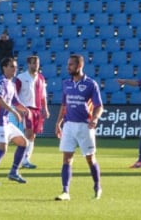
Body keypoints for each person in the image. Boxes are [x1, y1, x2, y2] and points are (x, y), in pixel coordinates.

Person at [55, 54, 104, 201]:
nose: (68, 67)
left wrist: (95, 118)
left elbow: (99, 106)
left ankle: (97, 186)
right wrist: (58, 123)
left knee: (90, 159)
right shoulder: (66, 83)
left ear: (79, 66)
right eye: (68, 64)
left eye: (71, 65)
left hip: (84, 126)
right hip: (69, 125)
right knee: (67, 158)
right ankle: (65, 191)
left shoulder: (90, 84)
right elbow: (64, 105)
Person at [0, 57, 30, 185]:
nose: (15, 69)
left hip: (6, 122)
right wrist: (14, 111)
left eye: (16, 67)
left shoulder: (12, 84)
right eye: (12, 66)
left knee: (23, 142)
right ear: (4, 68)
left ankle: (13, 172)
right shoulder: (0, 82)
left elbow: (15, 102)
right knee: (2, 149)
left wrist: (25, 110)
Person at [15, 55, 50, 169]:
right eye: (34, 63)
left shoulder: (41, 78)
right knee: (28, 133)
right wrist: (18, 108)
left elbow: (43, 96)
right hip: (26, 109)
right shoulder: (21, 77)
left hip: (37, 109)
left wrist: (45, 108)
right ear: (28, 64)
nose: (36, 65)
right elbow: (15, 95)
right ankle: (23, 159)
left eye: (37, 63)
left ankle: (26, 158)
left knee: (33, 135)